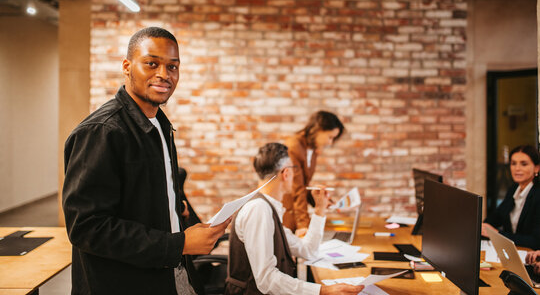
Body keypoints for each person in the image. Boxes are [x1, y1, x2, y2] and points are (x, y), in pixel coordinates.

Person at [63, 27, 230, 295]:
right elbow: (87, 228)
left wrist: (176, 212)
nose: (164, 74)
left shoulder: (160, 126)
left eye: (172, 67)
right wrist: (179, 244)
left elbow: (137, 200)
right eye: (151, 64)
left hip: (170, 277)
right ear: (127, 67)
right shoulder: (102, 132)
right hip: (124, 284)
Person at [225, 142, 363, 295]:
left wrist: (320, 210)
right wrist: (323, 290)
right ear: (286, 173)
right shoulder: (259, 210)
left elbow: (308, 250)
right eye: (293, 169)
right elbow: (266, 279)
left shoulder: (268, 208)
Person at [283, 111, 345, 236]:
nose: (330, 143)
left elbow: (303, 183)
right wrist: (304, 225)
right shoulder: (294, 147)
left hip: (295, 210)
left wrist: (318, 200)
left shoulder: (312, 148)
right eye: (330, 137)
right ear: (318, 130)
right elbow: (297, 189)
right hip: (288, 210)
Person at [482, 145, 540, 249]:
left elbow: (536, 241)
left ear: (537, 168)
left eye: (524, 164)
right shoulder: (514, 189)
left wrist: (498, 234)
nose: (517, 168)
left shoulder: (537, 195)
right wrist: (483, 227)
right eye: (513, 163)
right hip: (513, 253)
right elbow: (495, 217)